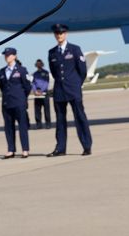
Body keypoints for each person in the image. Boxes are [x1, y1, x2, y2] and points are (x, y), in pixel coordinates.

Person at [46, 23, 93, 156]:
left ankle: (86, 146)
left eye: (61, 33)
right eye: (57, 33)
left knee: (80, 117)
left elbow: (82, 70)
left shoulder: (75, 49)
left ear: (65, 34)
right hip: (59, 90)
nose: (59, 35)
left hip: (73, 89)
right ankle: (60, 148)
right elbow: (54, 72)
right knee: (60, 120)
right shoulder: (52, 52)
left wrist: (77, 84)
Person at [0, 48, 32, 159]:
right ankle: (11, 149)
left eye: (8, 55)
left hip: (19, 103)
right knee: (8, 127)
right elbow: (2, 87)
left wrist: (22, 98)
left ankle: (25, 149)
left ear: (14, 56)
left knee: (22, 126)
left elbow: (27, 86)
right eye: (5, 55)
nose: (6, 57)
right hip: (7, 103)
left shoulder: (22, 70)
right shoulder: (2, 71)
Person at [31, 59, 52, 128]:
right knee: (37, 110)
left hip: (44, 93)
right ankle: (38, 124)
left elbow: (46, 82)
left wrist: (42, 91)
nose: (39, 65)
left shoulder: (45, 73)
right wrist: (35, 91)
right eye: (37, 64)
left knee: (46, 110)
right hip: (37, 94)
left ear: (42, 64)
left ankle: (48, 123)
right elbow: (33, 83)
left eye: (40, 64)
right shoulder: (34, 74)